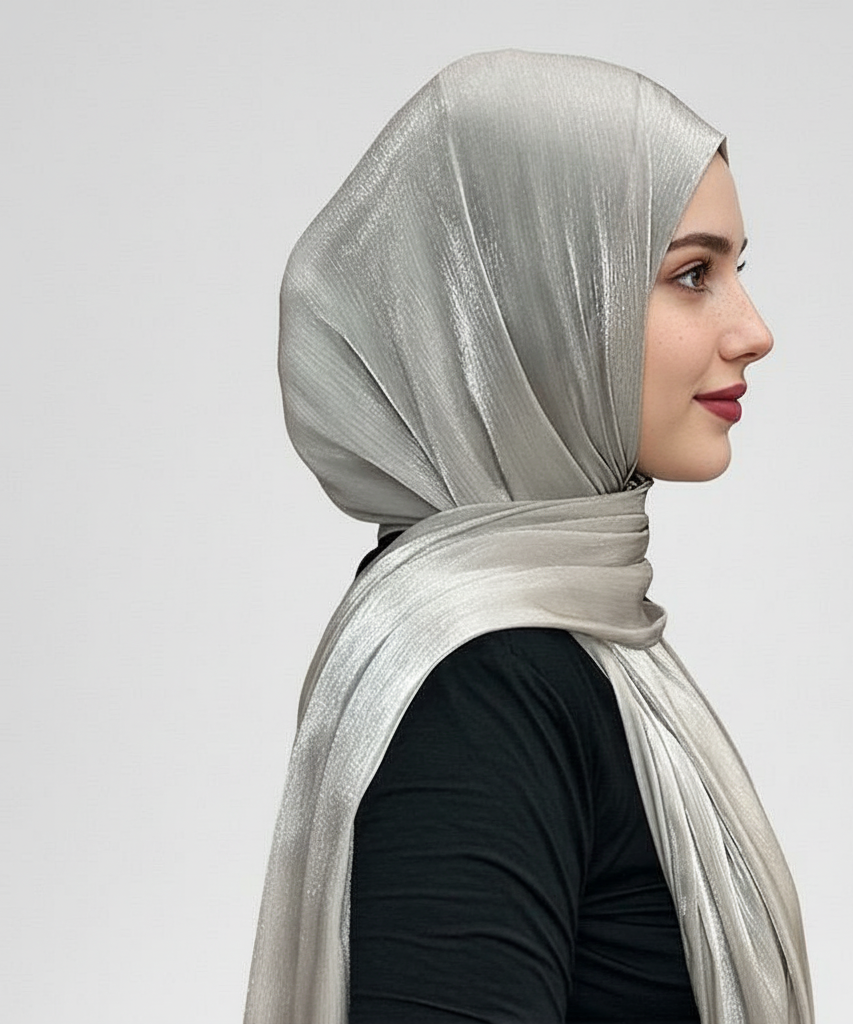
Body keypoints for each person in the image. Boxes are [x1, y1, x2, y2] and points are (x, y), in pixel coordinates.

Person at [245, 50, 814, 1024]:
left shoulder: (567, 641)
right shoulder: (483, 683)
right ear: (533, 309)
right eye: (691, 274)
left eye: (736, 270)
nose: (753, 329)